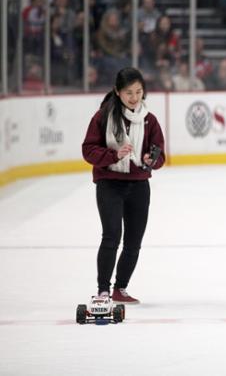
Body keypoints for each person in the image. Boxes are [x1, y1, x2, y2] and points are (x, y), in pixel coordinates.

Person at [82, 67, 166, 303]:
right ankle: (103, 290)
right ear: (117, 92)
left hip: (139, 186)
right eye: (129, 92)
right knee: (111, 236)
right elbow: (88, 150)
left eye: (138, 92)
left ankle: (120, 288)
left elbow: (160, 157)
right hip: (109, 183)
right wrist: (113, 155)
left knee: (133, 242)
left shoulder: (150, 121)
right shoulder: (102, 117)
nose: (134, 97)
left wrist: (152, 160)